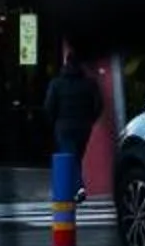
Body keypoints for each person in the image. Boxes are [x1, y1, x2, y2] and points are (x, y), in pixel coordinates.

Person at [44, 43, 104, 201]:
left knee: (69, 157)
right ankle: (73, 189)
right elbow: (99, 105)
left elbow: (49, 106)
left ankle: (78, 187)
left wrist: (54, 122)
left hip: (63, 125)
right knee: (76, 157)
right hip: (84, 126)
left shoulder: (56, 83)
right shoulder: (89, 83)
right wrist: (91, 119)